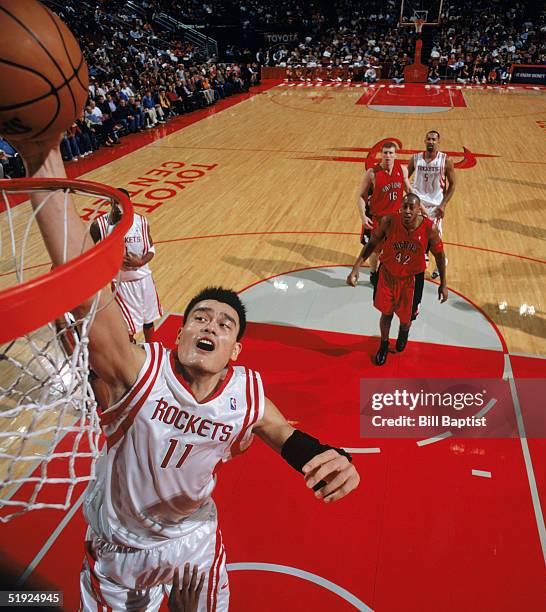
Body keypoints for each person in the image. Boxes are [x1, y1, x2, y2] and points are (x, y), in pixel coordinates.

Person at [15, 140, 359, 612]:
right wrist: (43, 157)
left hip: (194, 537)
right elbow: (85, 285)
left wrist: (328, 458)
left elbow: (282, 433)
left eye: (224, 323)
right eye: (200, 316)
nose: (210, 324)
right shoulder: (138, 372)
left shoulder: (245, 393)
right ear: (178, 333)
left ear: (234, 351)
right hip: (122, 548)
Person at [347, 193, 448, 365]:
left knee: (406, 320)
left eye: (412, 207)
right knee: (386, 313)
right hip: (387, 274)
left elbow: (439, 255)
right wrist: (356, 266)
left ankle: (403, 332)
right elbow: (372, 242)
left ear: (419, 210)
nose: (407, 211)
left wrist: (443, 283)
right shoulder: (389, 221)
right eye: (405, 207)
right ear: (400, 207)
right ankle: (384, 344)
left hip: (412, 280)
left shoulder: (428, 229)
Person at [90, 188, 163, 343]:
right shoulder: (100, 225)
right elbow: (87, 250)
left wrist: (142, 262)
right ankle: (130, 356)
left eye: (123, 202)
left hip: (145, 280)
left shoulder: (141, 221)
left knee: (148, 322)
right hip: (122, 284)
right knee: (127, 329)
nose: (119, 206)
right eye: (116, 202)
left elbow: (151, 248)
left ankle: (152, 348)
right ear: (111, 203)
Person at [356, 141, 410, 286]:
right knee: (375, 251)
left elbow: (409, 191)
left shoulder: (402, 170)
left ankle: (387, 272)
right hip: (378, 219)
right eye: (385, 153)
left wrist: (420, 210)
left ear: (395, 155)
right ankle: (373, 273)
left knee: (395, 249)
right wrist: (363, 215)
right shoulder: (372, 173)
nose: (387, 155)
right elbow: (361, 196)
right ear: (381, 154)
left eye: (391, 153)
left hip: (396, 218)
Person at [408, 130, 456, 279]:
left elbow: (453, 185)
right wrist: (410, 196)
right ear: (424, 141)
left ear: (438, 142)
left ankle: (441, 260)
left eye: (434, 139)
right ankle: (421, 261)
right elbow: (405, 179)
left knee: (434, 238)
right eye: (428, 139)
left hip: (435, 206)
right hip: (418, 204)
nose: (431, 142)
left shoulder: (446, 160)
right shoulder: (416, 158)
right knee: (416, 235)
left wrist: (443, 205)